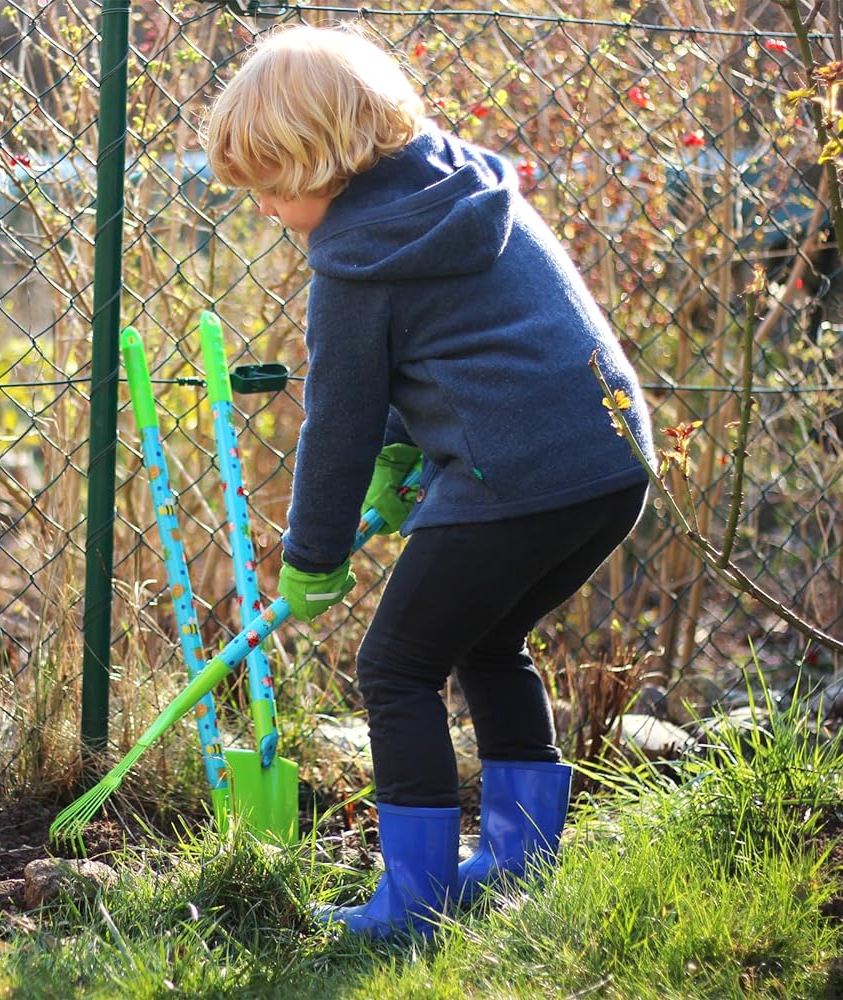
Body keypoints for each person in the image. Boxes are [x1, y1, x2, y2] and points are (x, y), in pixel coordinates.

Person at [205, 24, 655, 940]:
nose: (260, 208)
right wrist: (410, 449)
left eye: (264, 187)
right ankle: (519, 867)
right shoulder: (463, 186)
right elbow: (473, 340)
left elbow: (336, 422)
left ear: (311, 164)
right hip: (608, 458)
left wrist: (312, 555)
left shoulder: (353, 262)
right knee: (489, 643)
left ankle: (413, 903)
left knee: (396, 666)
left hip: (513, 473)